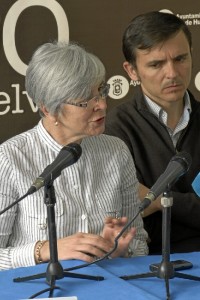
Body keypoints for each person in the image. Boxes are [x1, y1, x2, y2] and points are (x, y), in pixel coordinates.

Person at [0, 41, 148, 270]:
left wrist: (119, 249)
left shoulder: (116, 151)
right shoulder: (11, 158)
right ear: (48, 109)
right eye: (84, 101)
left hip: (107, 288)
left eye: (101, 91)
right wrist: (44, 250)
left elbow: (139, 243)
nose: (102, 105)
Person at [105, 11, 200, 254]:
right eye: (156, 64)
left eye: (180, 58)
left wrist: (157, 200)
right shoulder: (115, 128)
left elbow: (145, 203)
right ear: (132, 71)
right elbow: (131, 219)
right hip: (149, 264)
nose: (172, 73)